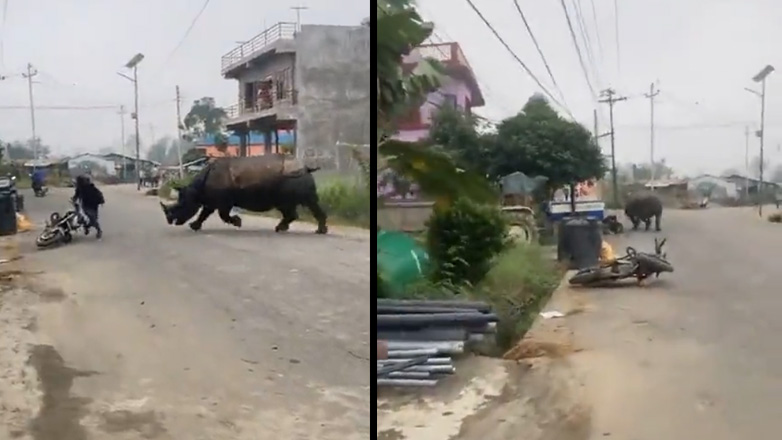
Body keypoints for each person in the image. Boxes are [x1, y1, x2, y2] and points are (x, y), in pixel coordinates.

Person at [72, 174, 105, 239]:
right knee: (83, 218)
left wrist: (101, 200)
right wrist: (74, 200)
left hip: (93, 205)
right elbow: (76, 195)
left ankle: (98, 230)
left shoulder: (91, 187)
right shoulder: (80, 188)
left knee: (92, 218)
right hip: (86, 205)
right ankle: (87, 227)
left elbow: (99, 194)